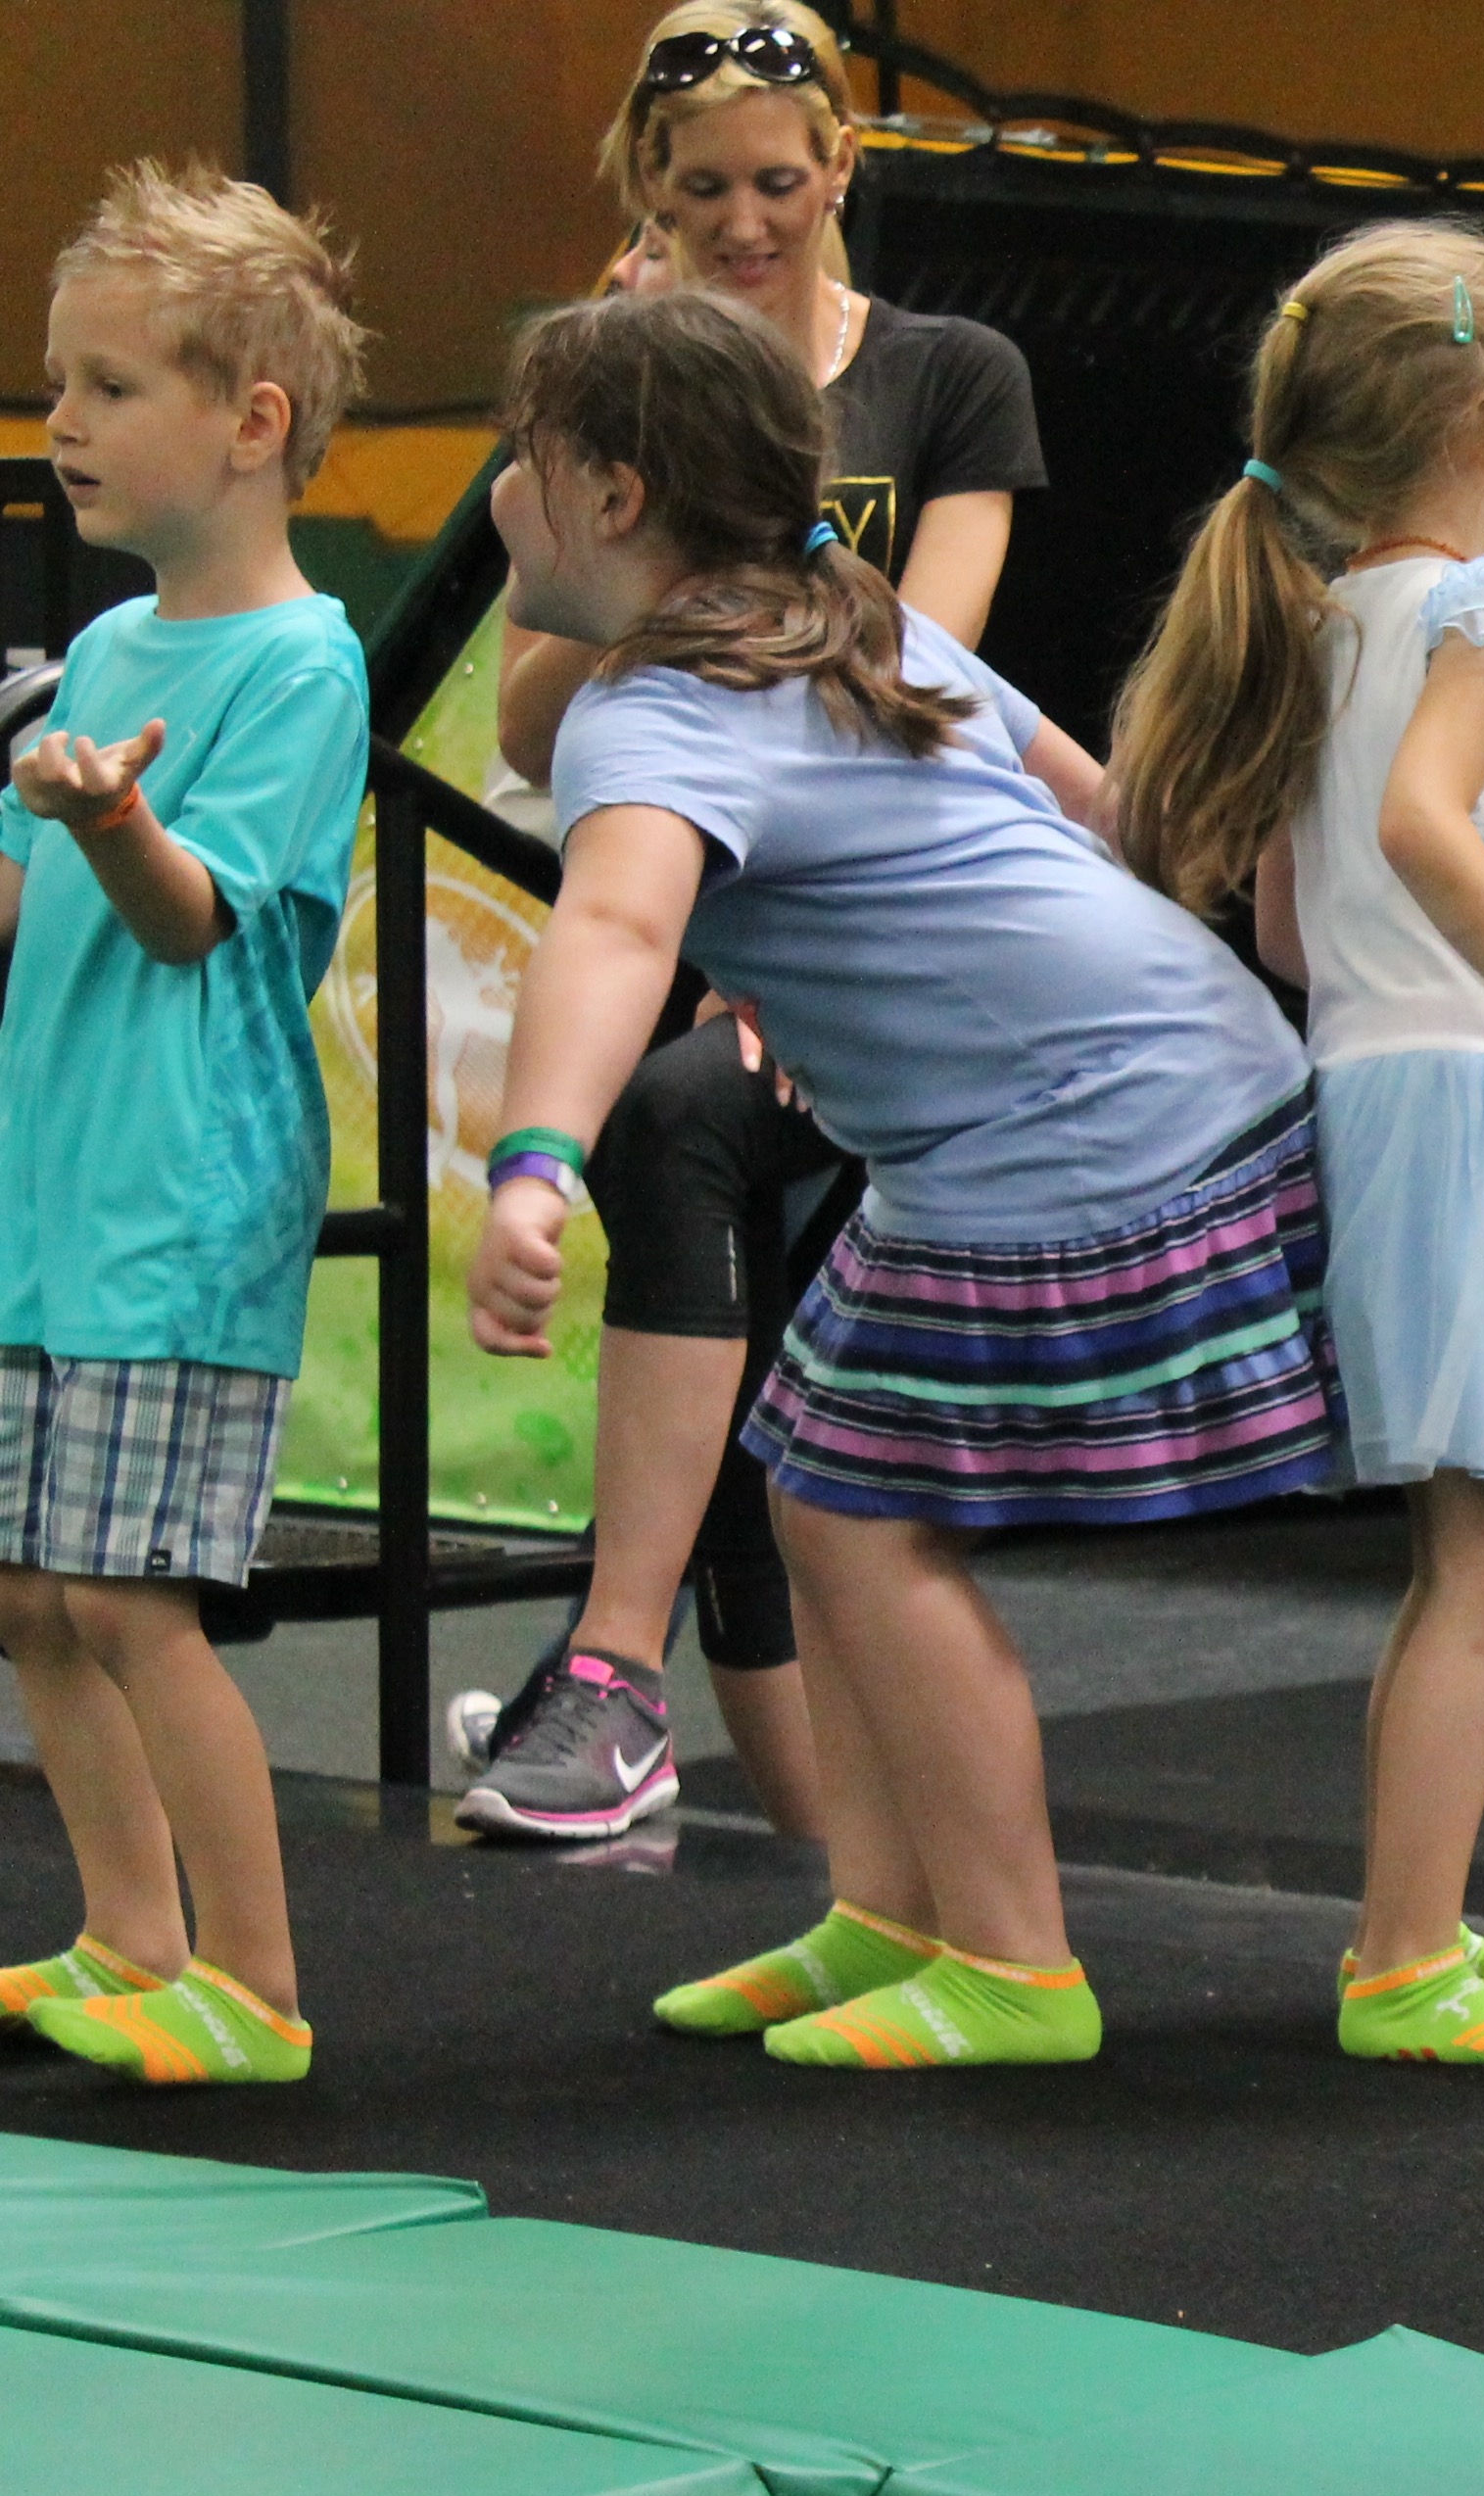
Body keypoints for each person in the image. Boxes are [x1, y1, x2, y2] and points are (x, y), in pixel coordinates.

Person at [469, 285, 1338, 2070]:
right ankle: (890, 1909)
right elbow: (1085, 798)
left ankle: (1016, 1964)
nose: (496, 500)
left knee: (866, 1518)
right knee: (813, 1479)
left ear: (614, 500)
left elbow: (621, 925)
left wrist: (536, 1161)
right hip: (1160, 1079)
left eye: (521, 467)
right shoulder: (839, 620)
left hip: (1089, 1136)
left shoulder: (662, 706)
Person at [452, 0, 1049, 1843]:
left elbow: (916, 665)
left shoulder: (947, 372)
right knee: (720, 1327)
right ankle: (798, 1834)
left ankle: (615, 1670)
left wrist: (718, 526)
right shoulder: (609, 394)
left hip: (860, 924)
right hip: (690, 908)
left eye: (777, 184)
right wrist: (645, 426)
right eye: (701, 189)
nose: (743, 223)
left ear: (842, 169)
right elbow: (531, 717)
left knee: (672, 1129)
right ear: (649, 186)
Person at [1115, 223, 1484, 2068]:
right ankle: (1403, 1958)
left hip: (1378, 1089)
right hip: (1475, 1089)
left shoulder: (1323, 615)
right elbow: (1437, 834)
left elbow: (1293, 922)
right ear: (1470, 426)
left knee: (1467, 1560)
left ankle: (1406, 1928)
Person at [0, 164, 372, 2086]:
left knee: (133, 1593)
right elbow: (24, 908)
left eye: (113, 385)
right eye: (62, 381)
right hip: (46, 1192)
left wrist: (104, 816)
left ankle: (257, 1977)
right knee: (28, 1588)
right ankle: (128, 1934)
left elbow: (185, 914)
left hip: (182, 1198)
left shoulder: (304, 664)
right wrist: (45, 812)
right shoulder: (106, 659)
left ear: (253, 423)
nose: (62, 419)